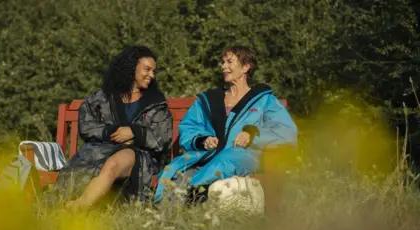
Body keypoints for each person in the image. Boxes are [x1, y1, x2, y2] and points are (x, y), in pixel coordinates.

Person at [153, 45, 297, 204]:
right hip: (205, 159)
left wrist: (252, 134)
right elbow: (189, 127)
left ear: (246, 67)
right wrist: (202, 139)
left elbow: (285, 131)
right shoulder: (209, 100)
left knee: (219, 164)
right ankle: (166, 224)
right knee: (180, 176)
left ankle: (193, 191)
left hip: (243, 158)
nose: (223, 66)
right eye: (222, 62)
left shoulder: (264, 100)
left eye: (229, 62)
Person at [54, 46, 173, 210]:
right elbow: (86, 125)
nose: (151, 75)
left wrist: (135, 133)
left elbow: (162, 138)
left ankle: (75, 209)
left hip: (138, 155)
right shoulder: (103, 98)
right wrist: (111, 132)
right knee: (95, 165)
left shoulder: (156, 103)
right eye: (147, 69)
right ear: (132, 68)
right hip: (101, 151)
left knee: (112, 165)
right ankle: (66, 206)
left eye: (154, 71)